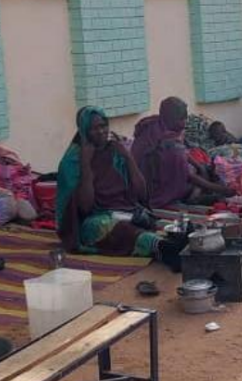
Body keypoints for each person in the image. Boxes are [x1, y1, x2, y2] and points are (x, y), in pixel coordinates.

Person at [56, 106, 179, 266]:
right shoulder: (72, 161)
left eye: (103, 126)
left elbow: (141, 194)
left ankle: (164, 246)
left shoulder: (114, 152)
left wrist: (127, 157)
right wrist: (86, 163)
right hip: (96, 219)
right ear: (84, 130)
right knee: (102, 226)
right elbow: (85, 207)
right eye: (94, 128)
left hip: (125, 212)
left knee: (145, 219)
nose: (101, 132)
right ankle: (161, 247)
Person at [131, 97, 233, 207]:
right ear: (171, 119)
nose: (185, 123)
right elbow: (186, 175)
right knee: (201, 179)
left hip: (142, 184)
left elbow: (182, 155)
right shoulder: (170, 144)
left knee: (203, 168)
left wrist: (198, 165)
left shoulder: (153, 126)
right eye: (182, 119)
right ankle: (193, 197)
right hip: (156, 191)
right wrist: (220, 189)